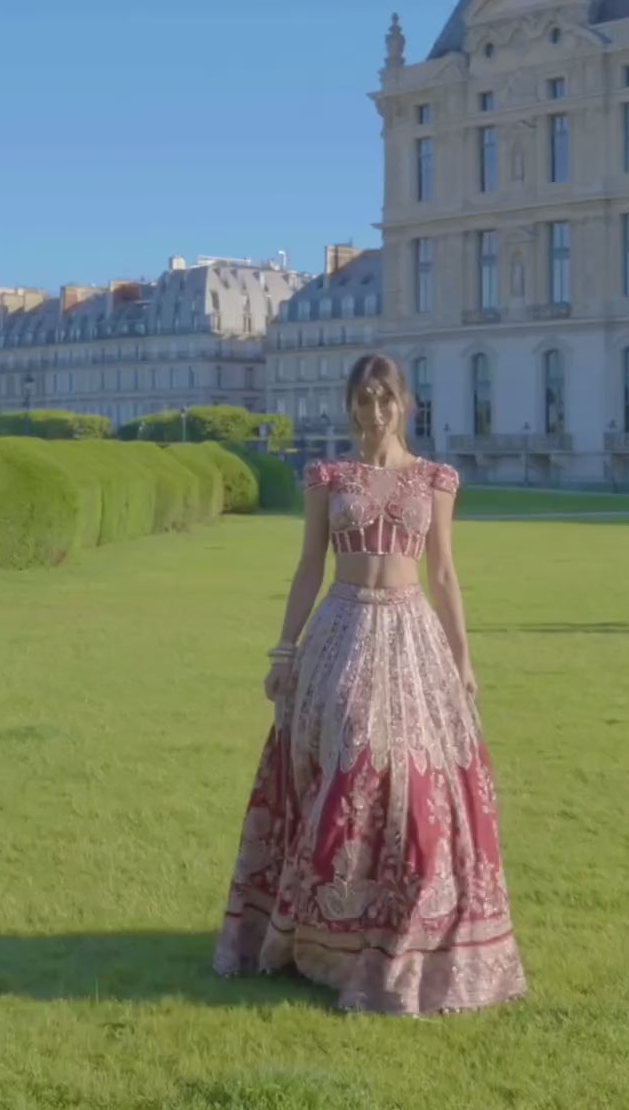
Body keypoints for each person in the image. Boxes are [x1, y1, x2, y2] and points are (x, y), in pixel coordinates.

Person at [213, 353, 526, 1017]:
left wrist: (464, 659)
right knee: (350, 769)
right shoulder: (328, 477)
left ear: (405, 404)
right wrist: (284, 649)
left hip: (413, 639)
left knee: (419, 786)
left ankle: (407, 932)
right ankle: (332, 935)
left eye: (386, 399)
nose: (375, 411)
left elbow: (443, 574)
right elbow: (306, 568)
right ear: (352, 404)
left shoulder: (436, 479)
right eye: (364, 399)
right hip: (342, 633)